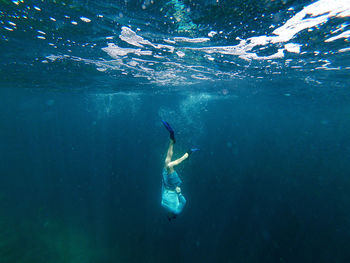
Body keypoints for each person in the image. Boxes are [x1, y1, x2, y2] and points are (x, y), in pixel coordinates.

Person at [161, 120, 199, 221]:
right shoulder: (177, 211)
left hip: (166, 184)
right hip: (173, 186)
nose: (167, 216)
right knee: (169, 165)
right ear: (172, 217)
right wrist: (179, 193)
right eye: (169, 217)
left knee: (167, 161)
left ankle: (172, 139)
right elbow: (184, 202)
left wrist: (163, 180)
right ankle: (187, 154)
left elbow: (163, 193)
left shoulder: (165, 207)